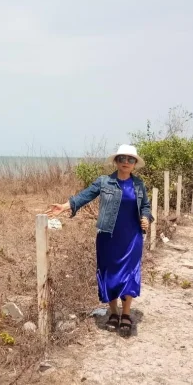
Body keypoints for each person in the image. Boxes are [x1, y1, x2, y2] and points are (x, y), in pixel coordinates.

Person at [47, 144, 152, 336]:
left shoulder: (138, 185)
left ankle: (126, 314)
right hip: (108, 237)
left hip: (132, 237)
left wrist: (146, 218)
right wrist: (64, 206)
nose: (126, 162)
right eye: (122, 159)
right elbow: (85, 195)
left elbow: (145, 206)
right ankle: (113, 312)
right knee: (109, 274)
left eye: (130, 159)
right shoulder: (104, 182)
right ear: (116, 161)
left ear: (135, 163)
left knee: (130, 273)